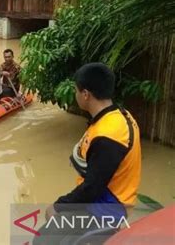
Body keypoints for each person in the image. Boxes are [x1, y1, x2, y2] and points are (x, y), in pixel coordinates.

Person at [34, 63, 142, 245]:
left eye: (76, 90)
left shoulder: (108, 135)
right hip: (109, 196)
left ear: (85, 95)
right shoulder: (120, 115)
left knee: (43, 237)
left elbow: (92, 188)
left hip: (107, 208)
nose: (75, 95)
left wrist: (59, 205)